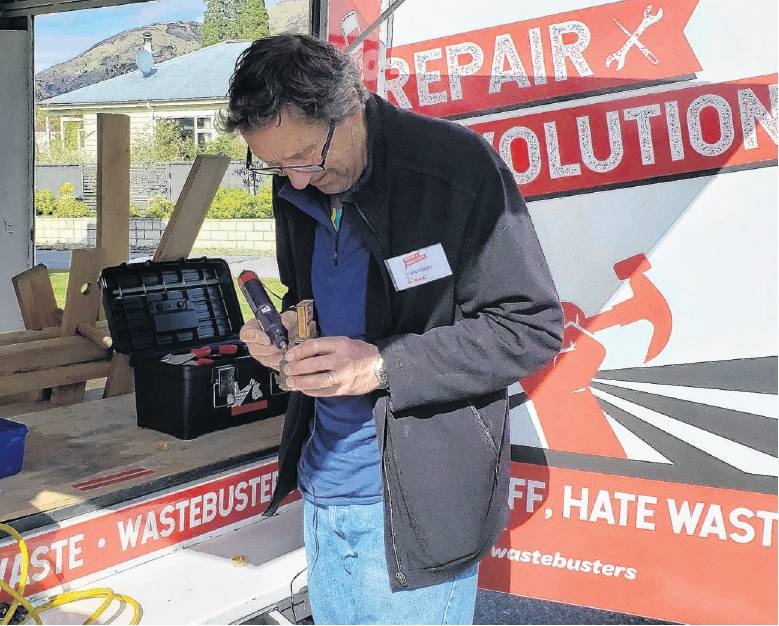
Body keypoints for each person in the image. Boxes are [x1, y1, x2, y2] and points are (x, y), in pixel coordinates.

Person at [226, 33, 563, 625]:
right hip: (324, 483)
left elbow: (529, 326)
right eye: (276, 166)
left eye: (305, 157)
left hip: (412, 503)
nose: (296, 181)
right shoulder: (297, 183)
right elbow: (313, 296)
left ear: (349, 104)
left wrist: (380, 364)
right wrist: (285, 330)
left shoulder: (453, 170)